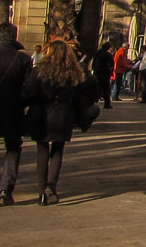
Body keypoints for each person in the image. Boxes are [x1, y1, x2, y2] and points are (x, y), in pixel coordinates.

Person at [22, 39, 96, 205]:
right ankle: (52, 187)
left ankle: (41, 192)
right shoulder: (73, 72)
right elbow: (80, 98)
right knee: (57, 151)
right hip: (63, 114)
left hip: (41, 113)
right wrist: (82, 119)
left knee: (42, 151)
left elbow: (28, 93)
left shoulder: (38, 71)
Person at [0, 23, 33, 204]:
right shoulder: (23, 59)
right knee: (13, 147)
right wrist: (22, 102)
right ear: (14, 35)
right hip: (13, 110)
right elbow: (29, 88)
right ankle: (6, 189)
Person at [92, 42, 114, 110]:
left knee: (97, 88)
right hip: (104, 74)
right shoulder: (107, 55)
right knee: (106, 89)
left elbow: (93, 62)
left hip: (96, 73)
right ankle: (107, 103)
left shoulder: (98, 53)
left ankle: (93, 101)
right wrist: (110, 71)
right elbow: (111, 63)